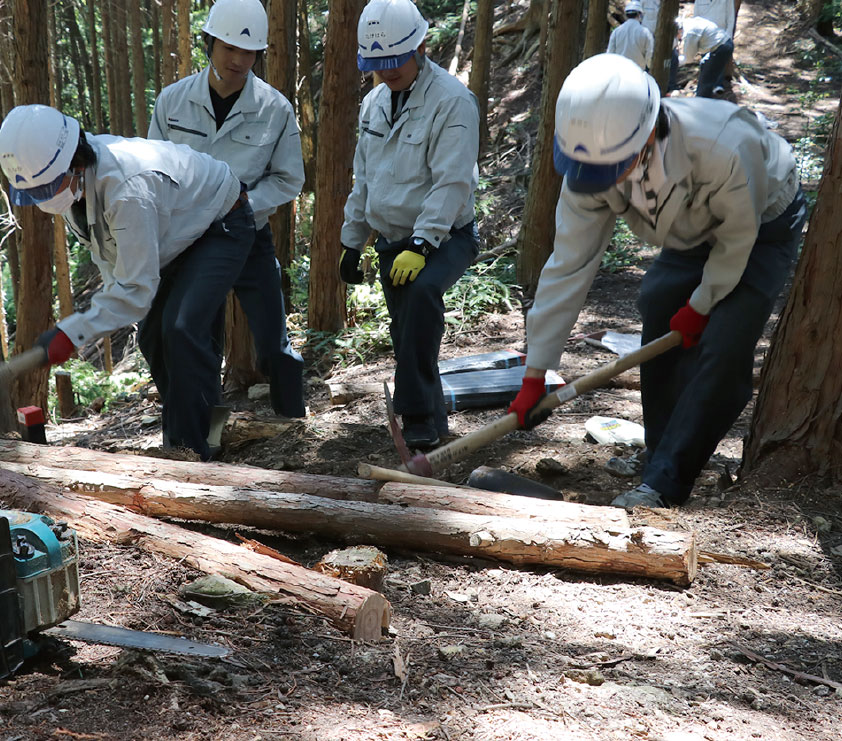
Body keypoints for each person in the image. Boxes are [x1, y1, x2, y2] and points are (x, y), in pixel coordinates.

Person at [507, 53, 805, 509]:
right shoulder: (591, 160)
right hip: (689, 229)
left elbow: (736, 240)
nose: (604, 183)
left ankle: (666, 482)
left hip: (761, 222)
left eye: (613, 170)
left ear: (647, 135)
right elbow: (569, 264)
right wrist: (536, 371)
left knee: (725, 343)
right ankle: (659, 452)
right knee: (658, 309)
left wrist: (702, 305)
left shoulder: (723, 146)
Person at [0, 103, 256, 461]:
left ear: (75, 162)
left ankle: (192, 453)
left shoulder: (128, 189)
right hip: (173, 235)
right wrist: (85, 325)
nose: (43, 199)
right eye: (36, 192)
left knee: (181, 330)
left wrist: (75, 331)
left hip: (221, 222)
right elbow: (115, 262)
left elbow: (135, 290)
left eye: (47, 187)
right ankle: (199, 433)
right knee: (153, 338)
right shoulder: (78, 190)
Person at [148, 0, 305, 418]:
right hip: (190, 240)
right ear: (209, 43)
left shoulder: (275, 109)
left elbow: (289, 178)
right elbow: (154, 172)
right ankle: (202, 435)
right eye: (228, 48)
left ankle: (294, 424)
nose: (238, 60)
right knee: (189, 334)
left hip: (249, 234)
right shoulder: (173, 102)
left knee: (273, 342)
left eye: (248, 51)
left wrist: (246, 203)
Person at [339, 0, 480, 449]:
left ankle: (416, 418)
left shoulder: (453, 101)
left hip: (444, 236)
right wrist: (351, 240)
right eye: (378, 64)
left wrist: (421, 244)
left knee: (421, 298)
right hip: (391, 240)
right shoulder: (373, 104)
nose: (388, 71)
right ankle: (435, 427)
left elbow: (452, 181)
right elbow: (365, 178)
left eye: (395, 61)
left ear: (421, 45)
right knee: (408, 334)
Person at [677, 14, 734, 98]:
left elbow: (688, 58)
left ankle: (701, 101)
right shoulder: (690, 23)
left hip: (721, 48)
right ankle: (705, 95)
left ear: (679, 30)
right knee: (704, 64)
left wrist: (675, 61)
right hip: (722, 44)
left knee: (706, 80)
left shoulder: (690, 33)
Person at [607, 0, 655, 70]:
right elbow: (649, 56)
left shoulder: (617, 32)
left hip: (620, 71)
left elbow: (610, 53)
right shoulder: (646, 33)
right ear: (640, 15)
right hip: (638, 72)